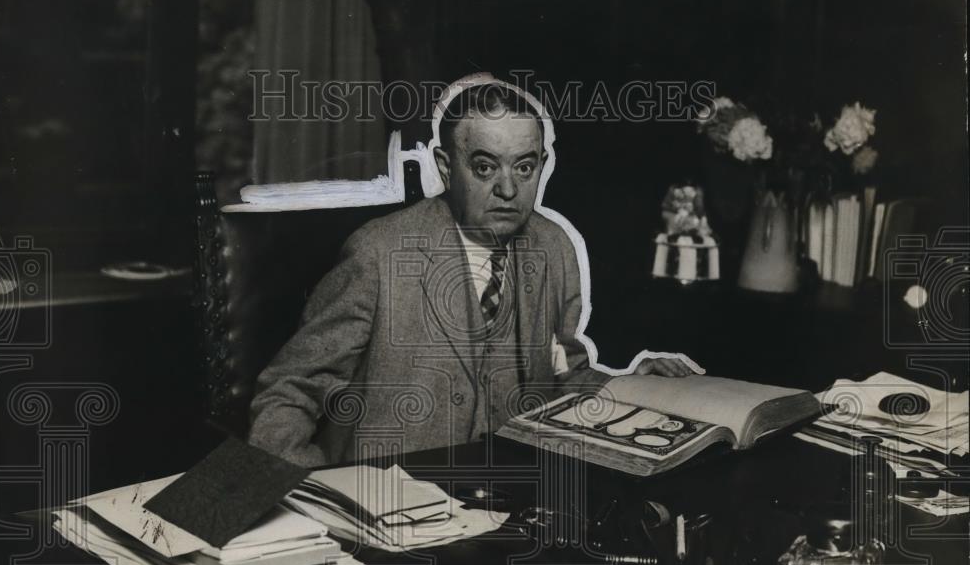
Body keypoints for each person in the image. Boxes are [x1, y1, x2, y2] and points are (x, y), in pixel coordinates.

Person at [249, 76, 702, 465]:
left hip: (510, 495)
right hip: (389, 500)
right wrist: (312, 494)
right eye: (485, 167)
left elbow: (560, 378)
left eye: (524, 167)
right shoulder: (379, 254)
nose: (508, 188)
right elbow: (289, 390)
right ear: (447, 168)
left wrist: (628, 387)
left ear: (542, 166)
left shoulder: (553, 245)